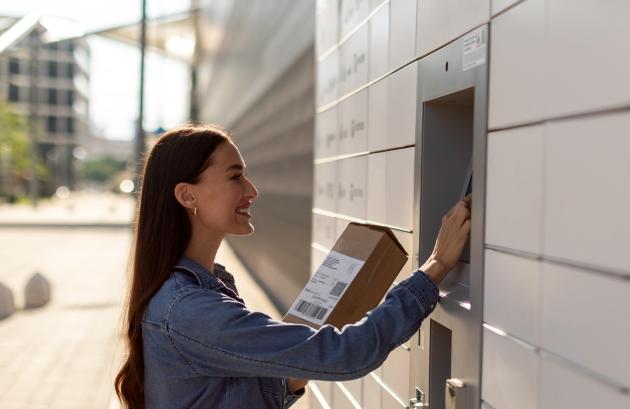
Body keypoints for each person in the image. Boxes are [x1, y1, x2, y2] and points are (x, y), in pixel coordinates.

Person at [114, 124, 471, 408]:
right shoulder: (189, 308)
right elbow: (349, 354)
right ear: (187, 195)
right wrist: (435, 267)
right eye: (235, 177)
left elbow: (230, 396)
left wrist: (293, 369)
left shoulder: (208, 287)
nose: (251, 190)